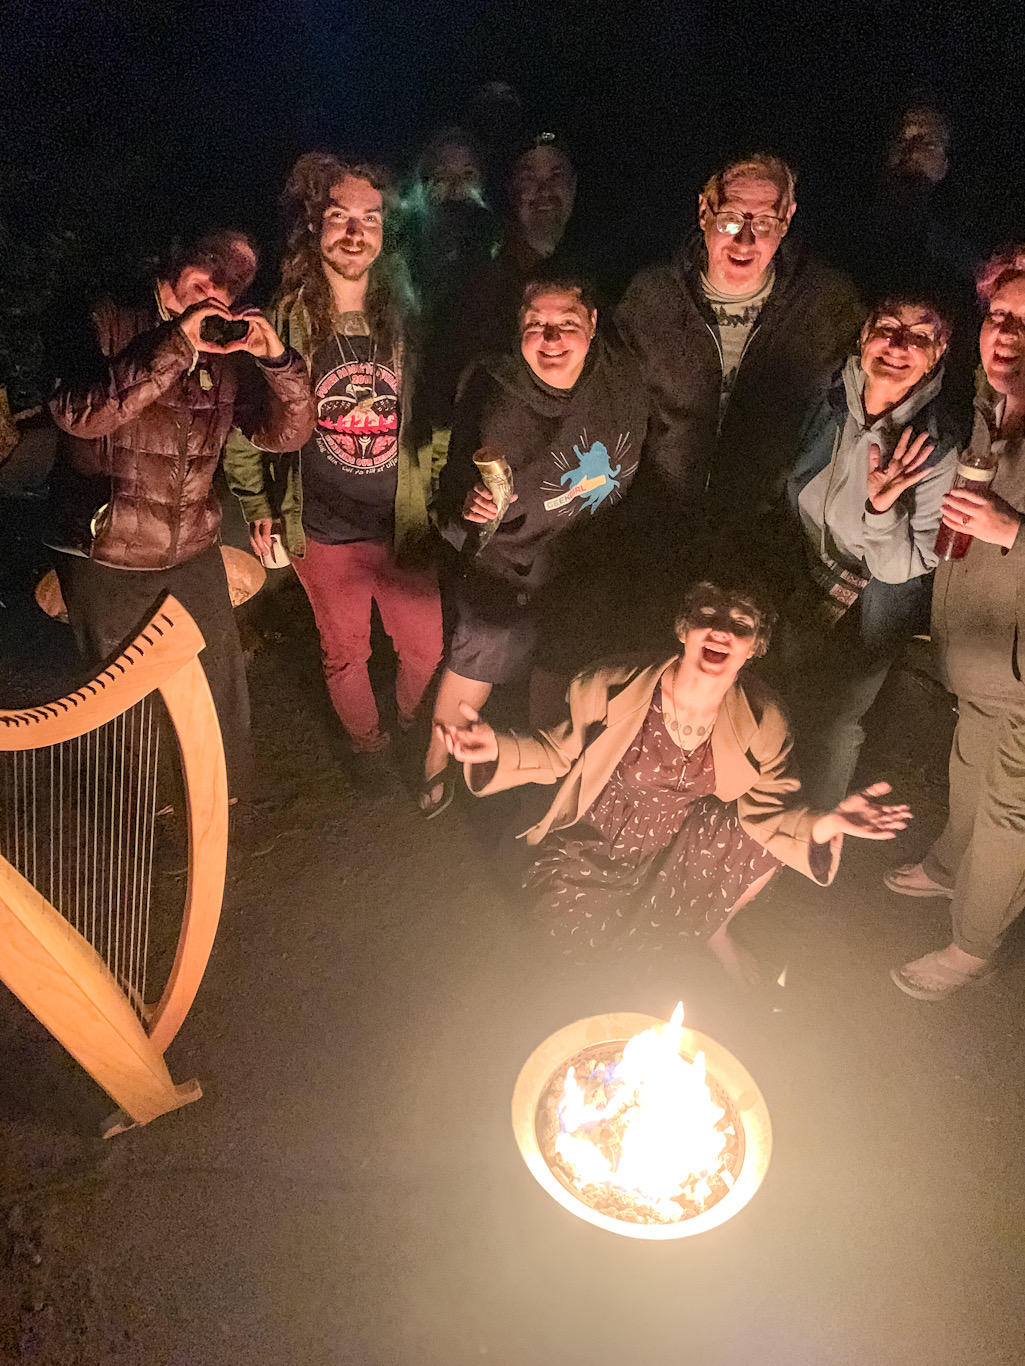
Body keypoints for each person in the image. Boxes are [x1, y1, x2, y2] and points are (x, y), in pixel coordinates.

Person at [438, 580, 911, 979]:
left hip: (681, 838)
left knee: (762, 842)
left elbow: (774, 816)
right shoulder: (610, 682)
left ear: (754, 648)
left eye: (740, 626)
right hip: (596, 835)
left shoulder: (765, 721)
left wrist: (830, 824)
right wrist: (497, 746)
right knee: (572, 949)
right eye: (709, 616)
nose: (722, 631)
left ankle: (716, 930)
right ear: (684, 629)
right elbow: (558, 752)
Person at [47, 228, 315, 800]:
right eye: (210, 265)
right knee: (123, 709)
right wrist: (176, 345)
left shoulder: (223, 349)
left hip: (190, 545)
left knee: (220, 690)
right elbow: (77, 413)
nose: (219, 284)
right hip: (104, 548)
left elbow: (286, 433)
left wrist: (277, 360)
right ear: (176, 257)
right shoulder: (102, 314)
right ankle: (142, 823)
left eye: (235, 280)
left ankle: (219, 809)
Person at [223, 154, 444, 792]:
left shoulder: (406, 311)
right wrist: (258, 504)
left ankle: (407, 723)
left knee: (426, 647)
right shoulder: (283, 317)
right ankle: (369, 749)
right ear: (313, 227)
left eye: (369, 219)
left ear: (384, 230)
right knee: (345, 652)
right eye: (339, 217)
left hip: (401, 522)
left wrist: (439, 482)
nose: (355, 231)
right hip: (319, 524)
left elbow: (431, 413)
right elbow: (246, 415)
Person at [425, 275, 647, 816]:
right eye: (536, 326)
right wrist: (469, 509)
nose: (552, 339)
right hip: (508, 563)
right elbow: (451, 486)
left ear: (593, 325)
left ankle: (537, 782)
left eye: (567, 324)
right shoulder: (492, 394)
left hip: (584, 556)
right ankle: (435, 761)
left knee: (560, 668)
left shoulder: (623, 377)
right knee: (478, 656)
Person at [616, 152, 862, 600]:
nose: (745, 240)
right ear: (704, 212)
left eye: (764, 222)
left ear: (787, 219)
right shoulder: (652, 296)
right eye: (731, 218)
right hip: (657, 527)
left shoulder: (826, 304)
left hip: (762, 536)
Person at [887, 248, 1025, 999]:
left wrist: (1013, 530)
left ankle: (972, 948)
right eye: (999, 315)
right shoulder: (989, 401)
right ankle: (948, 866)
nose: (1007, 333)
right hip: (979, 653)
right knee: (970, 763)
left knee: (1013, 810)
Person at [780, 295, 962, 807]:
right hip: (806, 566)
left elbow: (902, 566)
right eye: (887, 328)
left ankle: (815, 835)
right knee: (774, 687)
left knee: (836, 718)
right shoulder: (831, 397)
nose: (898, 345)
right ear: (863, 336)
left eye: (919, 337)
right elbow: (792, 481)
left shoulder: (935, 445)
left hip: (874, 594)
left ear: (938, 352)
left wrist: (882, 509)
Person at [435, 134, 583, 426]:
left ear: (574, 184)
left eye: (556, 175)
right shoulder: (474, 281)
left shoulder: (599, 278)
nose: (544, 190)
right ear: (512, 189)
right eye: (529, 178)